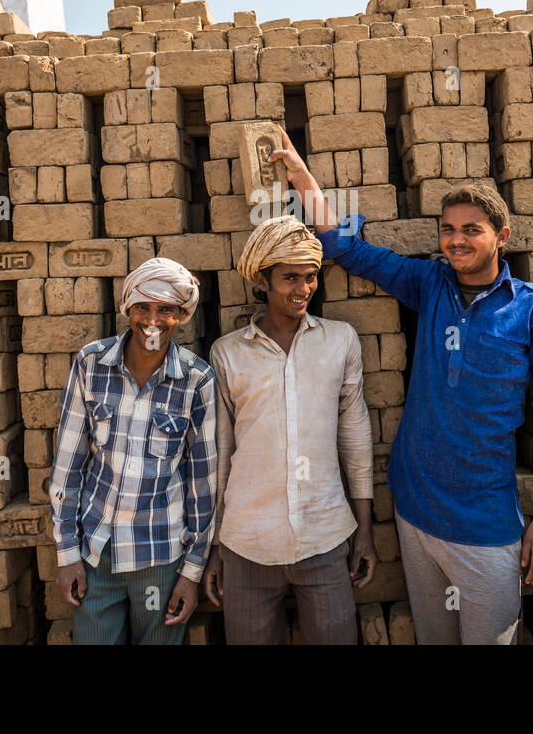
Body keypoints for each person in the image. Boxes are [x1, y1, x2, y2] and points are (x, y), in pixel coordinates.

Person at [271, 129, 533, 645]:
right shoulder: (430, 285)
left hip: (485, 524)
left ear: (502, 236)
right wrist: (302, 176)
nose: (457, 240)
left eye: (472, 230)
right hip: (415, 512)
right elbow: (347, 249)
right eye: (448, 229)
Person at [202, 215, 377, 644]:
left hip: (325, 535)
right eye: (290, 277)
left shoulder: (340, 341)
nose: (303, 288)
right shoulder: (227, 353)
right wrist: (215, 546)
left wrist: (365, 532)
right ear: (262, 281)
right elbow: (220, 453)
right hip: (247, 543)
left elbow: (355, 437)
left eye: (310, 276)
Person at [49, 257, 216, 645]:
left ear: (181, 315)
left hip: (160, 557)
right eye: (143, 307)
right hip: (96, 552)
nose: (152, 320)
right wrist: (67, 554)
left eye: (166, 310)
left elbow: (202, 484)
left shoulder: (196, 379)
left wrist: (191, 573)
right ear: (128, 309)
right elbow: (67, 464)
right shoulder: (92, 363)